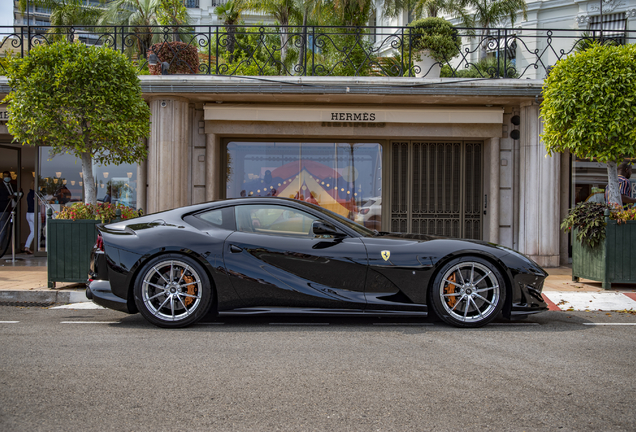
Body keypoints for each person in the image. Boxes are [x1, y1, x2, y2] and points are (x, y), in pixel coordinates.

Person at [24, 182, 35, 254]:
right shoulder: (35, 194)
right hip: (34, 214)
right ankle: (38, 249)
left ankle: (27, 247)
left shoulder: (29, 194)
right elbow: (38, 204)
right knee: (37, 232)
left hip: (28, 214)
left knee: (33, 231)